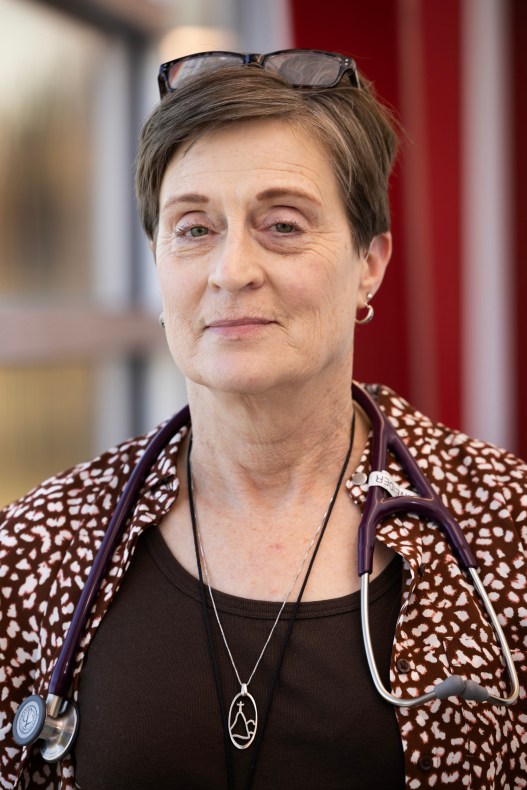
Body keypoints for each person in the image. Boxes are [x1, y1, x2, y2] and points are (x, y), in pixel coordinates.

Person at [0, 50, 525, 790]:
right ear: (156, 262)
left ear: (368, 263)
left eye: (281, 225)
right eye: (192, 229)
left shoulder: (507, 523)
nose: (230, 270)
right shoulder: (34, 549)